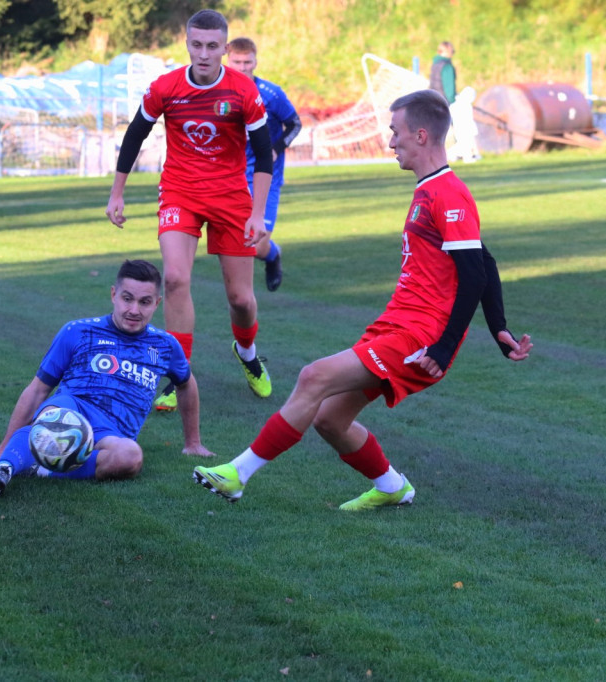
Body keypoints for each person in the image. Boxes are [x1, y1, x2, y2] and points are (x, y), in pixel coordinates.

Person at [193, 90, 533, 510]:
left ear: (422, 135)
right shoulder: (431, 191)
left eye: (396, 133)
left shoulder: (449, 193)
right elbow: (485, 260)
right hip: (397, 323)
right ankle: (392, 487)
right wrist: (499, 328)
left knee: (313, 377)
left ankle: (237, 474)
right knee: (330, 419)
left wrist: (444, 348)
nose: (391, 142)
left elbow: (476, 271)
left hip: (419, 336)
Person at [106, 9, 275, 413]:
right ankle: (176, 376)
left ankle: (247, 352)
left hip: (232, 198)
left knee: (241, 298)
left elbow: (265, 156)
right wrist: (117, 192)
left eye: (212, 46)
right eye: (196, 45)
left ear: (224, 48)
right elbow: (135, 134)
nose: (204, 54)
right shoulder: (165, 87)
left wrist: (257, 214)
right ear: (187, 44)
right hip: (180, 192)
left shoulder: (243, 91)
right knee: (177, 280)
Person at [0, 259, 213, 497]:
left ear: (157, 303)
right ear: (113, 295)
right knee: (53, 414)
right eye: (127, 299)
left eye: (144, 302)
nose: (134, 310)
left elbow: (186, 383)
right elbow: (38, 390)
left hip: (112, 432)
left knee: (131, 457)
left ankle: (42, 470)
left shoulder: (165, 345)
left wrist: (192, 442)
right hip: (72, 406)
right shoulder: (78, 331)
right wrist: (3, 445)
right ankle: (3, 467)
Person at [226, 36, 302, 293]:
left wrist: (275, 149)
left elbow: (295, 124)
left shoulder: (271, 94)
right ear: (228, 60)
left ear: (256, 61)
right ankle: (240, 298)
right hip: (231, 178)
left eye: (248, 62)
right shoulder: (218, 93)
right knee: (235, 241)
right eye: (237, 62)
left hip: (265, 177)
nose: (243, 67)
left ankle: (272, 255)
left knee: (257, 246)